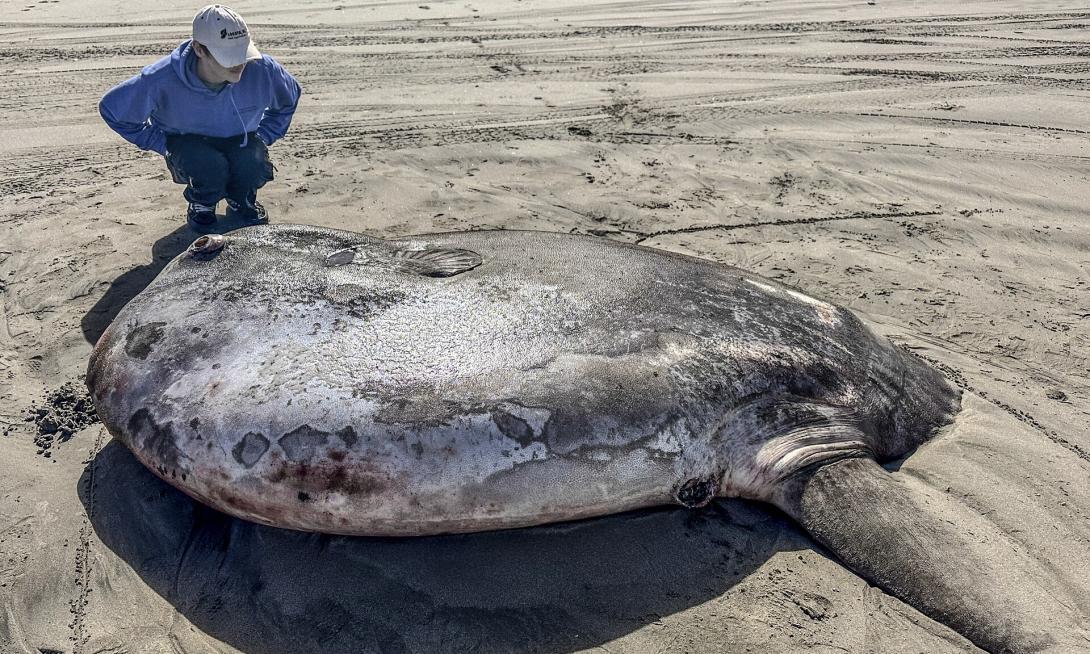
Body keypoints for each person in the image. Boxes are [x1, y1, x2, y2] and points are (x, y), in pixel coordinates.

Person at [99, 5, 301, 229]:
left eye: (242, 52)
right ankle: (202, 204)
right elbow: (112, 110)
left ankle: (241, 200)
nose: (239, 63)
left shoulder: (264, 70)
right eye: (228, 56)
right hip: (188, 145)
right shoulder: (160, 78)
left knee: (252, 161)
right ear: (199, 49)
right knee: (208, 166)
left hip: (241, 139)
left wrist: (265, 135)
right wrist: (161, 144)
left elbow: (289, 98)